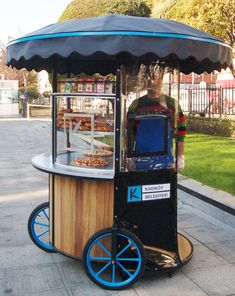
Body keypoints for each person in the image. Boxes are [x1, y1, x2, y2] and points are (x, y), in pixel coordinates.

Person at [126, 66, 186, 171]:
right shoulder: (136, 105)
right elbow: (129, 134)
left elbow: (180, 134)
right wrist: (128, 156)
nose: (154, 83)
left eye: (157, 78)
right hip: (140, 162)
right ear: (145, 81)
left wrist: (180, 157)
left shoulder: (172, 105)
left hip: (166, 163)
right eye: (150, 79)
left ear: (162, 80)